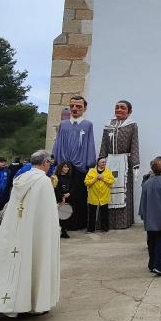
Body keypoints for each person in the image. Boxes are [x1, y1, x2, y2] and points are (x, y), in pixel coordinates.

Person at [0, 150, 61, 317]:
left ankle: (3, 302)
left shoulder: (20, 179)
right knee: (34, 261)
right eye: (49, 162)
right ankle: (34, 304)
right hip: (35, 232)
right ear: (45, 163)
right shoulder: (43, 181)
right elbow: (48, 214)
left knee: (10, 264)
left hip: (15, 230)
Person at [52, 94, 96, 231]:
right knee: (63, 195)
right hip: (65, 165)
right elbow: (58, 143)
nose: (75, 108)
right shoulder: (63, 125)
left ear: (84, 108)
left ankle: (79, 224)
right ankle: (64, 224)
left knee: (79, 195)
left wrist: (89, 162)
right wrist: (55, 160)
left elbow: (90, 143)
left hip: (80, 166)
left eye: (78, 106)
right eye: (72, 106)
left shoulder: (87, 125)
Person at [98, 99, 140, 230]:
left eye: (122, 108)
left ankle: (123, 222)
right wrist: (101, 159)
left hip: (124, 162)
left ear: (129, 111)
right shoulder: (108, 125)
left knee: (124, 192)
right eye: (117, 107)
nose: (119, 110)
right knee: (106, 189)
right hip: (109, 161)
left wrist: (135, 163)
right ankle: (106, 222)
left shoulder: (132, 125)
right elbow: (104, 144)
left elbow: (134, 145)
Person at [85, 156, 115, 232]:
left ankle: (105, 229)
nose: (104, 163)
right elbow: (86, 182)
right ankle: (91, 229)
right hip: (93, 196)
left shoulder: (108, 171)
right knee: (92, 214)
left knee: (104, 214)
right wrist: (96, 178)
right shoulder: (91, 171)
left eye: (105, 162)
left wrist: (103, 178)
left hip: (104, 196)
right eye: (102, 162)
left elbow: (112, 181)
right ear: (98, 163)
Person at [52, 161, 75, 239]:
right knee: (59, 215)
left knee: (66, 215)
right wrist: (62, 196)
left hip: (68, 198)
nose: (67, 168)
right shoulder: (56, 177)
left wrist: (69, 193)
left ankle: (64, 231)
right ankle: (59, 230)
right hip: (59, 198)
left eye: (67, 167)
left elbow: (73, 187)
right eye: (65, 167)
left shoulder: (69, 177)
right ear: (61, 167)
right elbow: (55, 188)